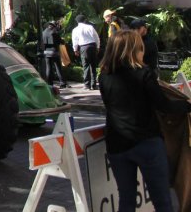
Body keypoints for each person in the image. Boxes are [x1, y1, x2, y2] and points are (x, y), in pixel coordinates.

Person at [99, 30, 191, 212]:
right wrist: (187, 106)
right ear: (134, 49)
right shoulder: (143, 73)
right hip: (147, 143)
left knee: (126, 200)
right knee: (162, 201)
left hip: (117, 145)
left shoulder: (104, 77)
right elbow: (163, 105)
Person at [72, 15, 100, 90]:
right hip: (92, 46)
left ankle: (87, 85)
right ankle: (94, 85)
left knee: (86, 65)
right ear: (84, 20)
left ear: (77, 21)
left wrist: (75, 50)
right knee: (93, 65)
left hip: (83, 47)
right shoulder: (90, 27)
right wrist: (97, 47)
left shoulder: (75, 29)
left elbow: (75, 40)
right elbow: (96, 37)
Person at [41, 21, 67, 88]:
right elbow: (61, 42)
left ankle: (50, 83)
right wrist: (63, 41)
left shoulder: (43, 33)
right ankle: (62, 83)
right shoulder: (54, 33)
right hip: (54, 52)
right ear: (53, 26)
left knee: (48, 68)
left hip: (46, 53)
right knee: (58, 68)